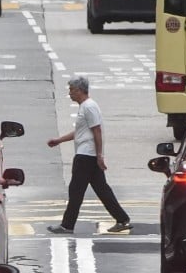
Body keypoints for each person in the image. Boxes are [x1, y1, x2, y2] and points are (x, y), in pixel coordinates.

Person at [46, 76, 132, 235]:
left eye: (72, 90)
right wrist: (59, 140)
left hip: (86, 156)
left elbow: (97, 131)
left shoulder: (89, 107)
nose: (70, 93)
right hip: (89, 155)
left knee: (76, 190)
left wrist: (100, 155)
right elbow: (80, 132)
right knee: (102, 189)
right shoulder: (86, 106)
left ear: (80, 90)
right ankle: (122, 219)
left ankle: (67, 225)